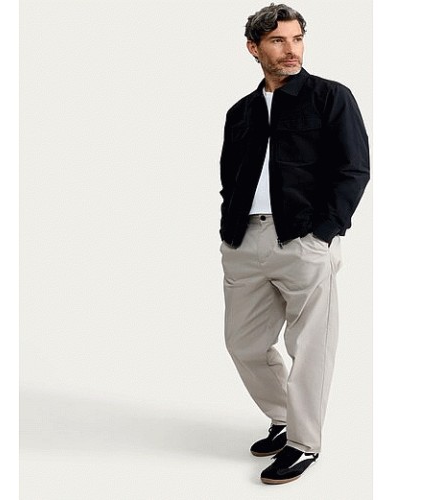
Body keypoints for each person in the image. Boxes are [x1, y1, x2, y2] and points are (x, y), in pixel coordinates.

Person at [219, 3, 370, 484]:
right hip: (245, 240)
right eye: (278, 41)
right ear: (254, 48)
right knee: (243, 343)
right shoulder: (241, 113)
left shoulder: (331, 97)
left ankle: (305, 443)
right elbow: (230, 178)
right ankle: (284, 417)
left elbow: (354, 169)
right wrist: (229, 230)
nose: (291, 49)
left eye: (297, 38)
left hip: (304, 239)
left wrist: (324, 233)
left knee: (311, 347)